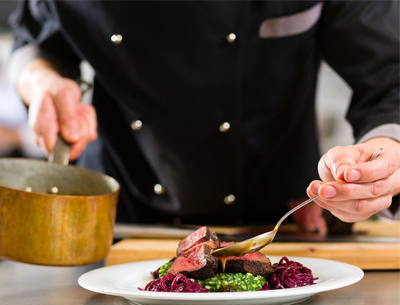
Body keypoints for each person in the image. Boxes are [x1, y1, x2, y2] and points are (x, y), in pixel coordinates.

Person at [7, 1, 400, 233]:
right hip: (120, 222)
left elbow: (390, 75)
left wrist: (385, 153)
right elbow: (36, 41)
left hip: (283, 221)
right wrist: (42, 82)